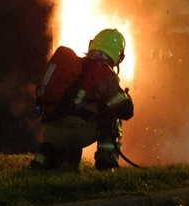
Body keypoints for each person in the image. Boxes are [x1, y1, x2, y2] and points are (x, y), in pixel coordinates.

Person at [30, 28, 134, 171]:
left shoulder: (75, 66)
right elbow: (126, 111)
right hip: (75, 134)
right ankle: (107, 164)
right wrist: (124, 98)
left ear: (92, 44)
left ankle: (43, 158)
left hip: (50, 130)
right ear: (119, 56)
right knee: (112, 119)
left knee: (73, 121)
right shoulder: (104, 74)